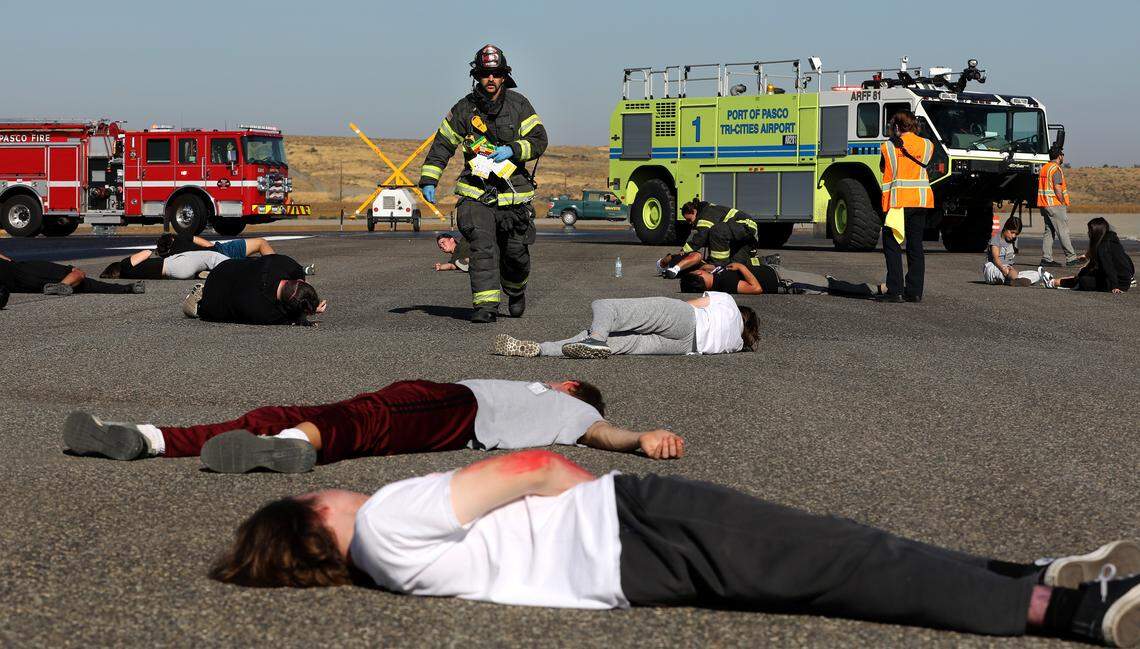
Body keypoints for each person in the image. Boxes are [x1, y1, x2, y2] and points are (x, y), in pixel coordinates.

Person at [210, 451, 1140, 647]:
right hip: (636, 524)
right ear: (312, 514)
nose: (334, 486)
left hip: (627, 570)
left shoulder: (382, 568)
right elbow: (530, 466)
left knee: (845, 553)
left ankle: (1032, 574)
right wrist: (607, 491)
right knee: (847, 560)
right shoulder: (385, 522)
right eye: (317, 490)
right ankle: (1067, 609)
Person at [61, 379, 684, 474]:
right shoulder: (546, 392)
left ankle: (292, 451)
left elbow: (602, 435)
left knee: (365, 420)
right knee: (277, 415)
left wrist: (639, 438)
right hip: (440, 400)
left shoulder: (575, 409)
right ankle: (147, 438)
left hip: (457, 411)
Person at [418, 44, 548, 323]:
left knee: (515, 253)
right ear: (477, 76)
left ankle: (515, 291)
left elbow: (539, 139)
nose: (491, 78)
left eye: (496, 73)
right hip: (477, 193)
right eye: (485, 74)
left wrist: (513, 149)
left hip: (513, 196)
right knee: (482, 245)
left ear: (504, 77)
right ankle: (486, 306)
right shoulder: (464, 109)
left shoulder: (520, 106)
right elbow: (442, 144)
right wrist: (429, 178)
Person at [492, 292, 758, 359]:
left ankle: (593, 339)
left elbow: (694, 304)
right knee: (620, 344)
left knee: (606, 307)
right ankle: (541, 349)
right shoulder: (736, 345)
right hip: (684, 347)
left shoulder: (728, 302)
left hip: (687, 320)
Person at [877, 110, 934, 303]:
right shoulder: (927, 145)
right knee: (915, 246)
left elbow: (884, 171)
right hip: (920, 201)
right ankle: (914, 291)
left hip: (898, 203)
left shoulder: (888, 147)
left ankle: (894, 290)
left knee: (892, 245)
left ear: (896, 126)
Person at [181, 254, 327, 325]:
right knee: (207, 311)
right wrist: (308, 311)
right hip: (211, 304)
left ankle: (205, 289)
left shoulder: (286, 264)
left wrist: (307, 300)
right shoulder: (264, 312)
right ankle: (198, 301)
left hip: (223, 269)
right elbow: (292, 316)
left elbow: (299, 279)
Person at [678, 256, 885, 298]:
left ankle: (871, 289)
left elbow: (707, 264)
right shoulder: (724, 283)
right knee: (827, 285)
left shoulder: (716, 275)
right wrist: (741, 267)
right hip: (785, 282)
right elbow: (755, 288)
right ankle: (874, 289)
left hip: (778, 272)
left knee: (825, 280)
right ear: (698, 275)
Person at [658, 200, 759, 278]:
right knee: (736, 264)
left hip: (744, 226)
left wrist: (684, 250)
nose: (689, 223)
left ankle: (719, 266)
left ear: (693, 211)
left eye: (689, 219)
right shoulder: (705, 211)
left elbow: (701, 237)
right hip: (744, 234)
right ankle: (760, 260)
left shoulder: (705, 215)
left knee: (717, 231)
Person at [1048, 218, 1135, 294]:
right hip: (1124, 278)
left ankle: (1053, 282)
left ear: (1096, 232)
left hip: (1119, 283)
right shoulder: (1112, 239)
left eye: (1090, 231)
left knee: (1083, 281)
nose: (1088, 233)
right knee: (1084, 273)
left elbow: (1109, 268)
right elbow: (1125, 259)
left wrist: (1115, 286)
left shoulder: (1103, 247)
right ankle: (1055, 281)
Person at [0, 253, 144, 298]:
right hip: (27, 274)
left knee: (85, 283)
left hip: (20, 275)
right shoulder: (68, 273)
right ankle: (128, 288)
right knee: (84, 281)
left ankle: (128, 288)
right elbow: (80, 275)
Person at [1038, 148, 1081, 268]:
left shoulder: (1045, 168)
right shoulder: (1055, 169)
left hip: (1045, 204)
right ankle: (1071, 258)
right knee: (1063, 231)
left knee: (1049, 231)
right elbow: (1057, 188)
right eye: (1063, 154)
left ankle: (1046, 258)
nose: (1063, 157)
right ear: (1059, 156)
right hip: (1055, 204)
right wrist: (1061, 201)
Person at [983, 216, 1046, 287]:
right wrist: (1003, 268)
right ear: (1006, 228)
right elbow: (995, 259)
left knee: (1037, 274)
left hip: (1007, 270)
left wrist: (1009, 269)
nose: (1013, 236)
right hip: (994, 268)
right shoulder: (996, 237)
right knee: (1009, 271)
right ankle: (1014, 279)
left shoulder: (1013, 240)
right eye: (1012, 232)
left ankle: (1012, 280)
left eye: (1016, 234)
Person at [100, 249, 228, 281]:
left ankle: (206, 274)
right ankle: (237, 265)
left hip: (176, 274)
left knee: (203, 264)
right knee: (211, 256)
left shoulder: (128, 275)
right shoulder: (126, 264)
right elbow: (147, 252)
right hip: (173, 263)